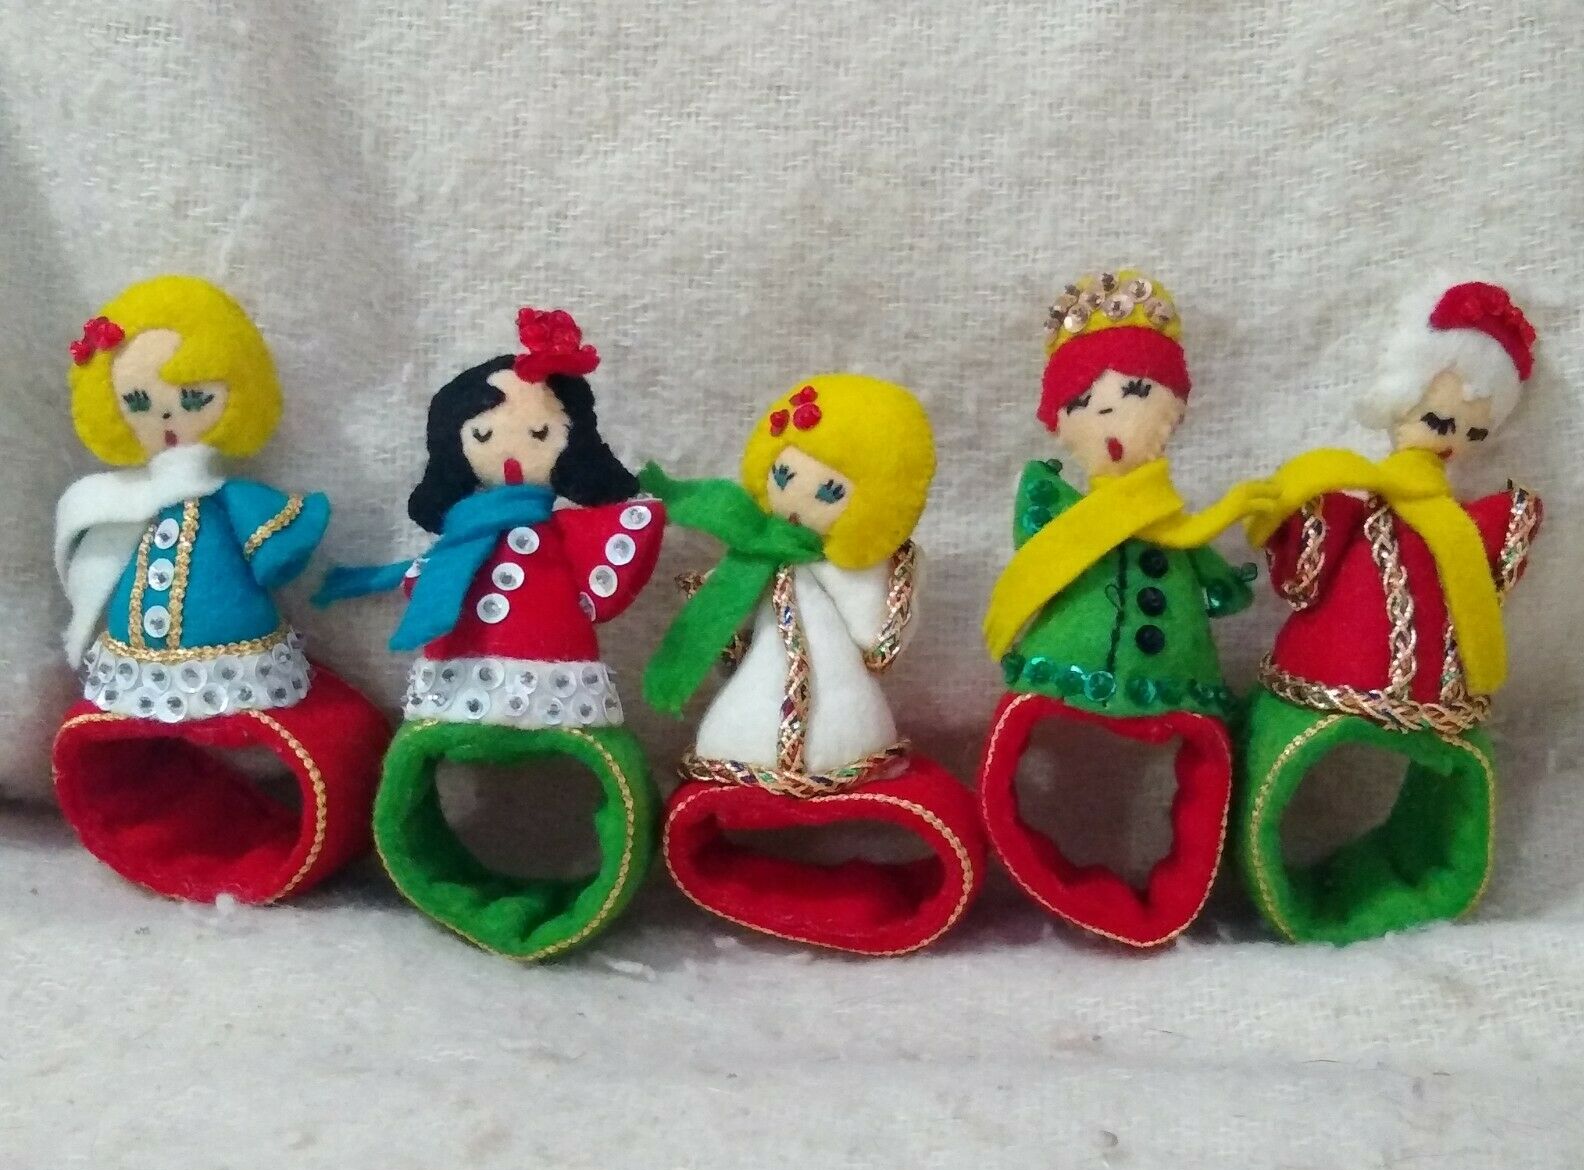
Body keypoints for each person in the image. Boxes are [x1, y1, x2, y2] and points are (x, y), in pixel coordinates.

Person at [317, 309, 663, 960]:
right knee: (413, 765)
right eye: (483, 433)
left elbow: (616, 555)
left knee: (609, 770)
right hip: (459, 677)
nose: (510, 449)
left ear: (571, 442)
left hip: (558, 683)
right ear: (458, 444)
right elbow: (432, 579)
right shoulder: (458, 541)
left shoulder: (561, 534)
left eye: (539, 433)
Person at [52, 276, 388, 904]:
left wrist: (282, 553)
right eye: (140, 402)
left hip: (236, 660)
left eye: (192, 396)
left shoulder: (229, 498)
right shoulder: (119, 502)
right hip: (137, 664)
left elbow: (279, 556)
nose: (167, 417)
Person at [1235, 279, 1542, 944]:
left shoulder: (1457, 525)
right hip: (1329, 670)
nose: (1450, 441)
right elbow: (1304, 573)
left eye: (1472, 430)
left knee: (1457, 772)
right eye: (1439, 422)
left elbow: (1483, 568)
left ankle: (1422, 874)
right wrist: (1298, 521)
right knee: (1284, 762)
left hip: (1436, 691)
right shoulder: (1355, 498)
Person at [641, 375, 985, 955]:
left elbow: (876, 644)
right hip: (751, 708)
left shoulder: (846, 571)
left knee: (837, 715)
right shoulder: (752, 557)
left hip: (845, 721)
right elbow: (728, 635)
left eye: (829, 491)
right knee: (749, 701)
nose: (799, 500)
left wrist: (867, 573)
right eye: (784, 476)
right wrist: (714, 599)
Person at [978, 270, 1260, 949]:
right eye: (1085, 401)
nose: (1110, 417)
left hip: (1179, 680)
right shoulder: (1061, 508)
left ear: (1174, 406)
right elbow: (1044, 559)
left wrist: (1232, 541)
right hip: (1065, 665)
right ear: (1060, 421)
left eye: (1135, 393)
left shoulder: (1168, 517)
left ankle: (1167, 908)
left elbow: (1204, 565)